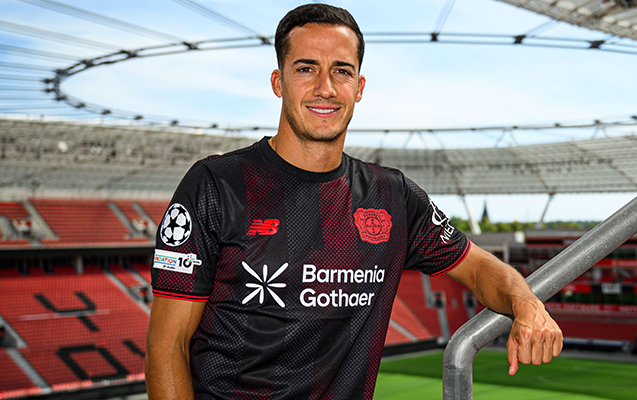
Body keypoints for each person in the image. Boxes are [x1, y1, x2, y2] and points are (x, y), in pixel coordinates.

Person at [145, 4, 562, 399]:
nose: (325, 88)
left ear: (359, 87)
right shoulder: (217, 185)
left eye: (341, 71)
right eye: (306, 68)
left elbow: (479, 267)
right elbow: (168, 346)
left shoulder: (392, 196)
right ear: (278, 82)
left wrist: (526, 303)